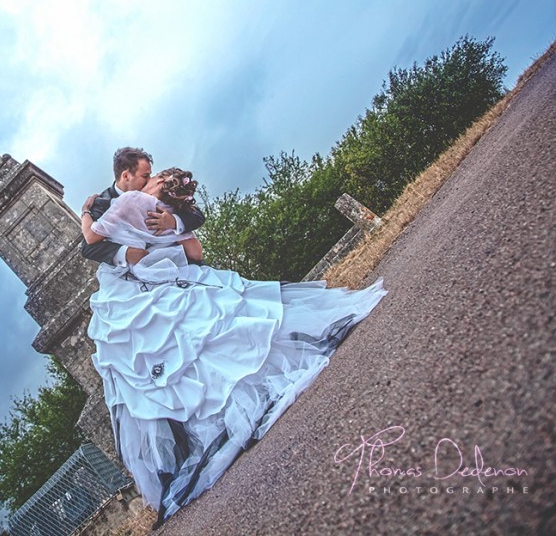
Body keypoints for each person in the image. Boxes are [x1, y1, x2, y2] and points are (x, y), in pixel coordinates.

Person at [80, 167, 387, 525]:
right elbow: (90, 247)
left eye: (156, 175)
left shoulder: (153, 202)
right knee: (177, 348)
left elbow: (195, 229)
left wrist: (174, 222)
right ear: (128, 173)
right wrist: (129, 254)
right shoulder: (105, 200)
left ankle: (234, 401)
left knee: (198, 335)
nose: (151, 176)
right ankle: (210, 417)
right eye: (149, 173)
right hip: (130, 287)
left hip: (167, 276)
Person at [80, 148, 206, 267]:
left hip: (182, 267)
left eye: (151, 175)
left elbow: (197, 215)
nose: (149, 179)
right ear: (126, 176)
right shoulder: (101, 203)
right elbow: (88, 247)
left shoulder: (164, 194)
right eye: (145, 176)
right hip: (138, 276)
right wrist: (126, 253)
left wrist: (173, 222)